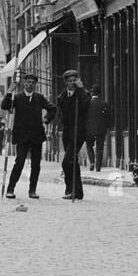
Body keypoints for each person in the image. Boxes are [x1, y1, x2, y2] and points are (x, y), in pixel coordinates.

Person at [1, 71, 55, 199]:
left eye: (32, 83)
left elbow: (53, 108)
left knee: (36, 165)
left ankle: (32, 191)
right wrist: (9, 92)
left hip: (36, 135)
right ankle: (10, 189)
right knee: (19, 162)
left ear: (35, 85)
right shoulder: (17, 97)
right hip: (22, 135)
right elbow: (5, 106)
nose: (30, 85)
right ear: (24, 84)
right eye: (28, 82)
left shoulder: (39, 98)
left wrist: (46, 120)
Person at [56, 70, 91, 200]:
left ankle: (71, 188)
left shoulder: (83, 94)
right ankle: (76, 192)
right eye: (69, 81)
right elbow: (61, 114)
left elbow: (87, 105)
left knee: (67, 162)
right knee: (73, 162)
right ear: (65, 82)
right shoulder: (62, 96)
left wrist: (81, 89)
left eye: (74, 80)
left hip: (79, 132)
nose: (72, 83)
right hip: (67, 133)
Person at [85, 84, 114, 173]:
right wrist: (109, 126)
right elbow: (108, 117)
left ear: (92, 93)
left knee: (89, 146)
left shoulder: (87, 104)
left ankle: (92, 162)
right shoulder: (104, 104)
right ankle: (98, 167)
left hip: (89, 129)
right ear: (100, 93)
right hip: (101, 129)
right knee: (99, 148)